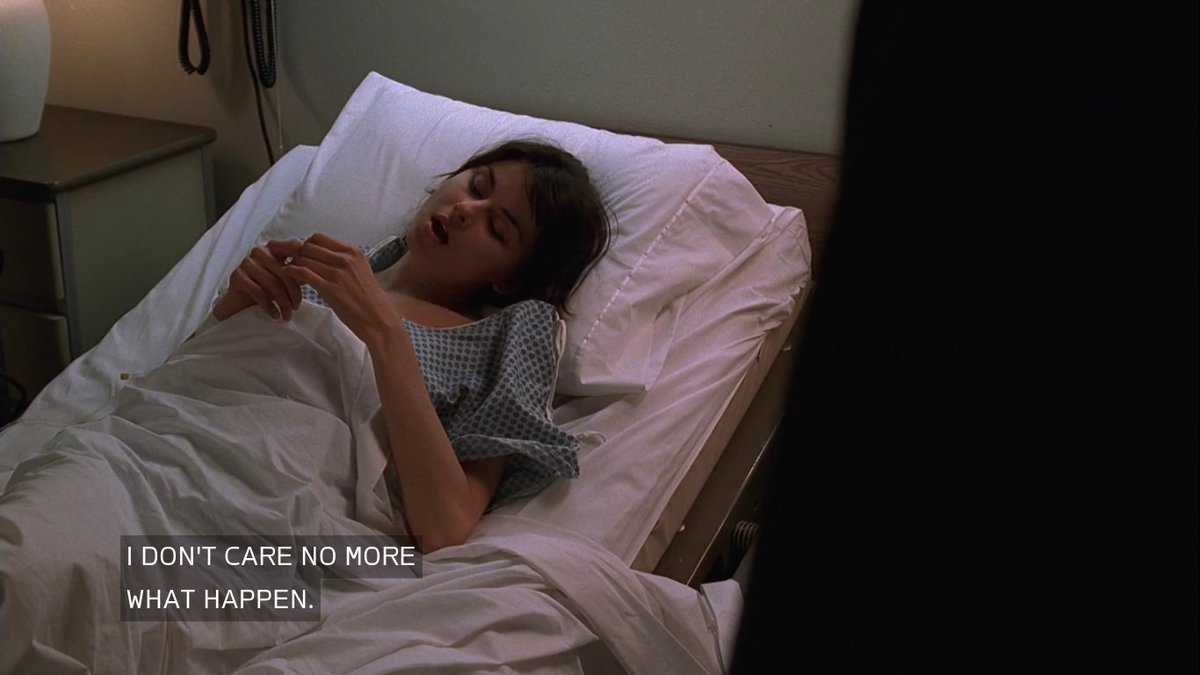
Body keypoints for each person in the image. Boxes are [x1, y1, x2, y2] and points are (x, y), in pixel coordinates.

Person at [211, 139, 610, 553]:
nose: (465, 209)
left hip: (273, 509)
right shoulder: (323, 265)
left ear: (509, 278)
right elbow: (190, 375)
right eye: (476, 186)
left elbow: (444, 528)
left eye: (497, 228)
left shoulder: (503, 342)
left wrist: (385, 333)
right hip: (190, 438)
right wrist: (232, 309)